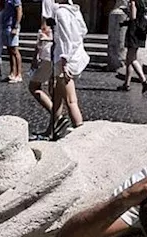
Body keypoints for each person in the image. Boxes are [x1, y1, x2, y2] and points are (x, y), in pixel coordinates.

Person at [50, 0, 88, 138]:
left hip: (64, 60)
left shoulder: (60, 12)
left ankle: (80, 134)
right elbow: (84, 30)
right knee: (57, 97)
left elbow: (65, 39)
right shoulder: (75, 10)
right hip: (75, 55)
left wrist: (65, 60)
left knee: (71, 101)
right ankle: (52, 131)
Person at [120, 0, 147, 92]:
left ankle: (144, 80)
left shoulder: (133, 1)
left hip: (134, 30)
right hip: (142, 30)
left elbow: (133, 16)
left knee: (131, 58)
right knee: (129, 58)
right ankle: (126, 83)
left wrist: (127, 12)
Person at [2, 0, 22, 82]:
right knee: (10, 51)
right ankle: (12, 73)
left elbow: (19, 11)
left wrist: (16, 26)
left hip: (12, 26)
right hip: (6, 26)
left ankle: (19, 74)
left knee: (15, 50)